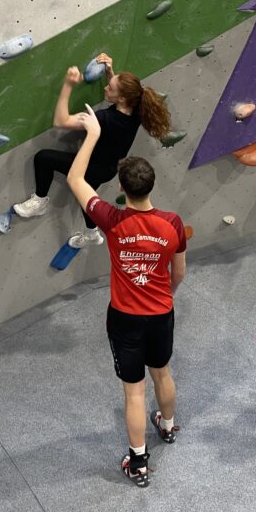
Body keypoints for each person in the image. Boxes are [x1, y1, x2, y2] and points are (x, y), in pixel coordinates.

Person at [66, 104, 187, 488]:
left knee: (134, 392)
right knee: (162, 372)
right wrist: (164, 295)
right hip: (161, 312)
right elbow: (179, 271)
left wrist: (93, 136)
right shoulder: (172, 224)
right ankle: (167, 426)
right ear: (151, 187)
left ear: (121, 189)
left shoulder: (112, 219)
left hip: (125, 318)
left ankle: (138, 463)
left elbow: (75, 178)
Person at [12, 53, 172, 249]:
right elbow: (121, 93)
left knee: (44, 158)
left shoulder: (104, 119)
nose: (106, 87)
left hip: (94, 167)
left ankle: (40, 201)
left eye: (110, 87)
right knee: (85, 198)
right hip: (109, 168)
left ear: (121, 98)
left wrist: (68, 85)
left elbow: (60, 121)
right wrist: (110, 72)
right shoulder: (136, 108)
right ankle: (91, 233)